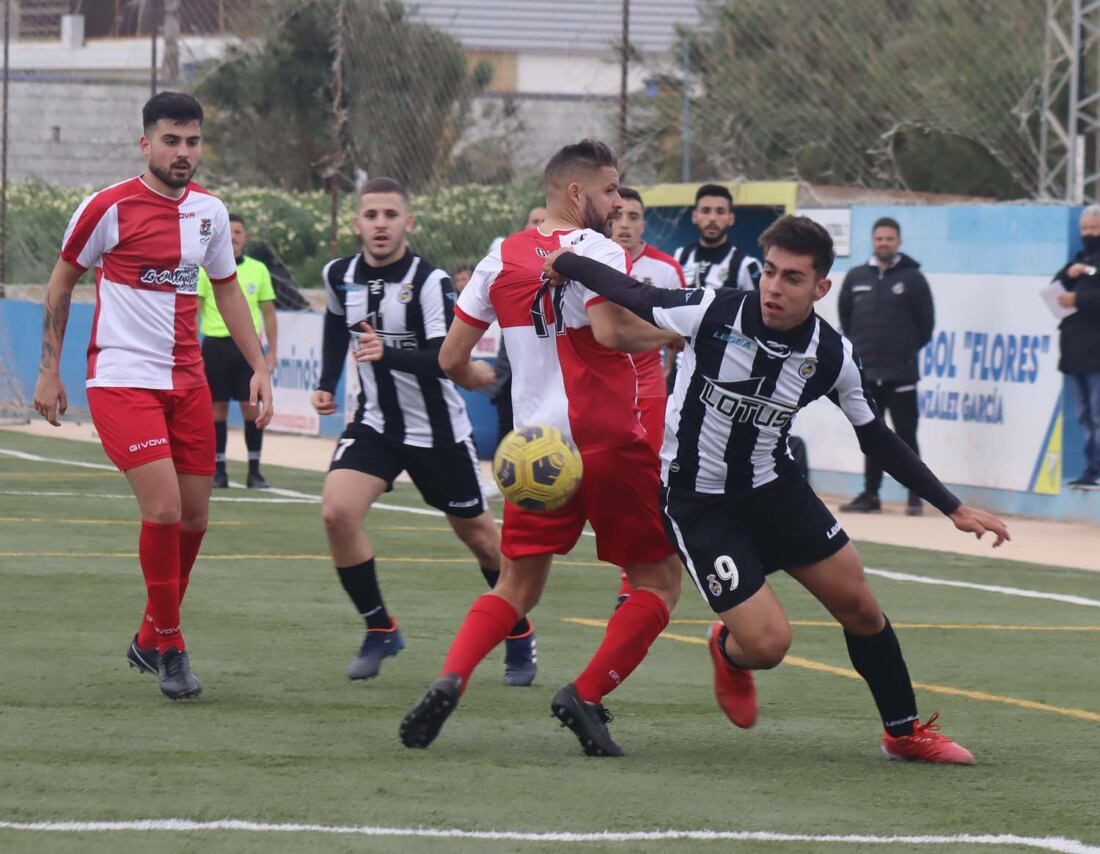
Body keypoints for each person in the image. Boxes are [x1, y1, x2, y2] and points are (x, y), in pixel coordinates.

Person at [544, 214, 1010, 765]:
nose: (774, 287)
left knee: (860, 606)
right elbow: (630, 291)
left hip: (774, 489)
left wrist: (951, 507)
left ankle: (904, 733)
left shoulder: (832, 355)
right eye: (769, 272)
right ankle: (728, 650)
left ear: (820, 288)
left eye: (792, 278)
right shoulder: (713, 311)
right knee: (768, 646)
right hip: (699, 502)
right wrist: (565, 263)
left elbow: (876, 438)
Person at [399, 140, 683, 758]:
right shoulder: (598, 251)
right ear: (576, 193)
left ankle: (452, 676)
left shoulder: (499, 257)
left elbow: (452, 358)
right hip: (606, 441)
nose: (617, 204)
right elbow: (610, 330)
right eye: (610, 191)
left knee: (515, 587)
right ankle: (583, 693)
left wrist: (477, 377)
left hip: (535, 449)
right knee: (657, 581)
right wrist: (671, 334)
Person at [31, 91, 273, 700]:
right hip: (121, 379)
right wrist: (49, 371)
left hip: (187, 382)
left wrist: (260, 367)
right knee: (163, 509)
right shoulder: (106, 207)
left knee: (194, 517)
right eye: (171, 140)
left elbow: (228, 292)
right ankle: (171, 647)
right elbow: (62, 283)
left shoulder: (211, 214)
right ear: (146, 143)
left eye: (192, 142)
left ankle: (147, 634)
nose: (183, 152)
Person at [312, 177, 537, 686]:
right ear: (357, 223)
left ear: (408, 223)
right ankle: (380, 628)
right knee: (336, 513)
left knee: (480, 538)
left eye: (391, 215)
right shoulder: (339, 275)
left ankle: (519, 633)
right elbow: (333, 326)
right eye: (371, 215)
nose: (381, 225)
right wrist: (327, 383)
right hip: (375, 424)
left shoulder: (431, 281)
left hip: (437, 433)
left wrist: (385, 352)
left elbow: (443, 360)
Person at [610, 186, 686, 608]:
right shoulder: (592, 258)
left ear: (643, 222)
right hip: (600, 384)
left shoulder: (666, 269)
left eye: (633, 216)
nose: (624, 224)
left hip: (649, 383)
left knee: (647, 476)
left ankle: (632, 578)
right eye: (618, 215)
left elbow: (680, 333)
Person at [838, 217, 934, 515]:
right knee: (872, 435)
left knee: (906, 435)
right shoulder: (856, 277)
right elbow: (846, 317)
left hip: (901, 373)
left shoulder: (914, 279)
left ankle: (916, 495)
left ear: (899, 243)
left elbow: (926, 325)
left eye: (889, 239)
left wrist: (904, 353)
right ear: (872, 241)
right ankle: (871, 495)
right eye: (879, 239)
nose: (884, 244)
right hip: (867, 373)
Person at [197, 213, 277, 489]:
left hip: (247, 348)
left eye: (238, 232)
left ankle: (254, 471)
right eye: (228, 231)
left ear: (245, 237)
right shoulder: (206, 269)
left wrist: (272, 353)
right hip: (215, 346)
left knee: (250, 408)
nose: (233, 237)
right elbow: (194, 310)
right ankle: (219, 470)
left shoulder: (258, 270)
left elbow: (269, 313)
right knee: (216, 409)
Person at [1053, 205, 1100, 489]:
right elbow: (1053, 290)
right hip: (1077, 354)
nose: (1089, 234)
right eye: (1084, 229)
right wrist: (1070, 275)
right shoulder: (1081, 260)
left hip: (1097, 355)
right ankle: (1090, 468)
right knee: (1085, 416)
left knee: (1097, 416)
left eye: (1094, 229)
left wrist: (1078, 300)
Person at [675, 184, 762, 292]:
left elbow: (760, 306)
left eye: (720, 212)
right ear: (694, 216)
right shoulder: (679, 257)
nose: (712, 218)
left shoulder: (746, 265)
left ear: (731, 218)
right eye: (705, 211)